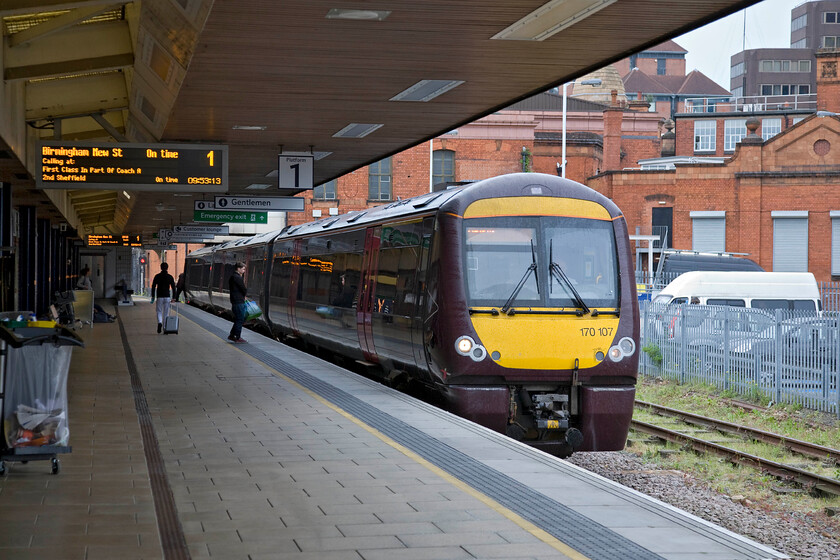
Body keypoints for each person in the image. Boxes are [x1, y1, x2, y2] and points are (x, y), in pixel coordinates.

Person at [150, 262, 177, 334]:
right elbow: (174, 288)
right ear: (167, 268)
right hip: (167, 297)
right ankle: (165, 328)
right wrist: (174, 297)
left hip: (159, 297)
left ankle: (159, 322)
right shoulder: (170, 277)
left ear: (161, 268)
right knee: (166, 312)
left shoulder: (157, 276)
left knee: (159, 311)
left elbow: (153, 286)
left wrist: (153, 296)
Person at [228, 262, 248, 343]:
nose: (244, 271)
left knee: (238, 319)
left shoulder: (232, 277)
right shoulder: (237, 278)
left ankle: (232, 335)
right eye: (243, 269)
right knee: (240, 319)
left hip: (235, 301)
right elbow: (244, 289)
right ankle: (237, 337)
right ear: (238, 269)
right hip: (238, 301)